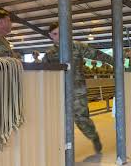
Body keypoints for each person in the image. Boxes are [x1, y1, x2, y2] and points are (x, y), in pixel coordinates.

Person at [42, 22, 114, 153]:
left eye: (60, 33)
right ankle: (62, 149)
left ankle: (93, 137)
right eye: (54, 34)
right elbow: (43, 74)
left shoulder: (77, 46)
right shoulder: (49, 54)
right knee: (59, 121)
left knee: (81, 119)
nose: (58, 36)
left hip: (77, 90)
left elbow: (97, 54)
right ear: (50, 36)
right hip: (58, 92)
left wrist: (116, 61)